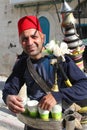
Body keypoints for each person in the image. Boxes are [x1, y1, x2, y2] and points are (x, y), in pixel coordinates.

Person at [2, 15, 87, 130]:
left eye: (34, 37)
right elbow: (10, 86)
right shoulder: (22, 64)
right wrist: (8, 97)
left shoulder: (60, 58)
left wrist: (58, 95)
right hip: (34, 124)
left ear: (43, 37)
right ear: (20, 42)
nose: (30, 42)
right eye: (24, 39)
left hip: (60, 124)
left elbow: (84, 85)